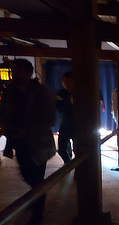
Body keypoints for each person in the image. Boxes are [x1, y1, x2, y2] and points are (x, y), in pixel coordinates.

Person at [1, 58, 56, 225]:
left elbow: (50, 119)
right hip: (19, 140)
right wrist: (9, 140)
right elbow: (5, 115)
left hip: (38, 142)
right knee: (26, 174)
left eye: (18, 71)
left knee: (37, 178)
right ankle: (36, 198)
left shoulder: (40, 92)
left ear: (28, 73)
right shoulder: (10, 91)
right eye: (13, 71)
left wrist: (29, 129)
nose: (14, 74)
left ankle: (37, 214)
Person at [55, 72, 74, 164]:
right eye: (64, 81)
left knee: (80, 150)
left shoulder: (81, 94)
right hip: (65, 125)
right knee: (62, 150)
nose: (67, 84)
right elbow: (57, 108)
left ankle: (77, 169)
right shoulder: (61, 93)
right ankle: (68, 164)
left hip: (79, 126)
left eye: (69, 81)